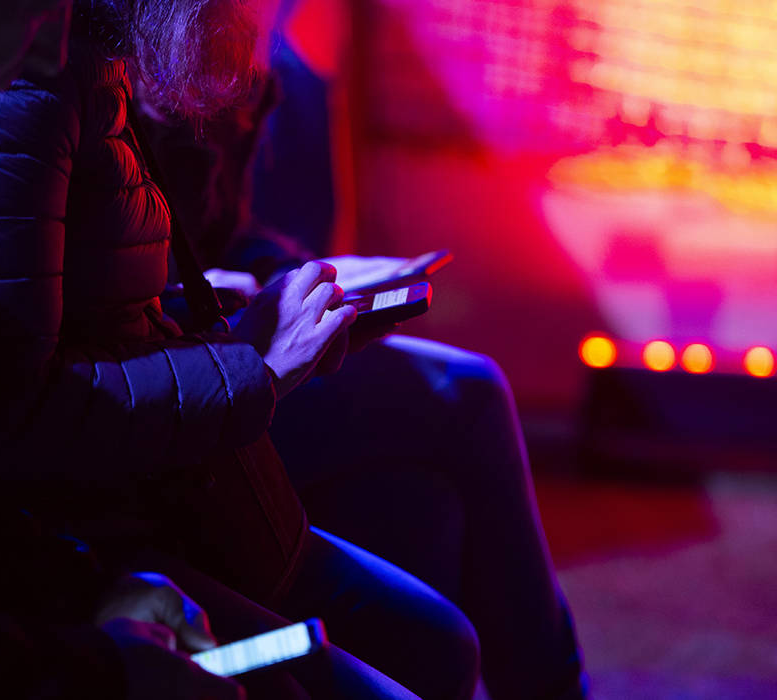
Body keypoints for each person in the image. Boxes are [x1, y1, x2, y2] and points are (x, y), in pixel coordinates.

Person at [0, 1, 479, 698]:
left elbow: (96, 304)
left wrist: (255, 317)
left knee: (440, 641)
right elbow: (2, 415)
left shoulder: (90, 62)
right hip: (108, 516)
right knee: (460, 406)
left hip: (147, 495)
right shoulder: (20, 83)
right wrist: (252, 361)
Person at [143, 9, 589, 698]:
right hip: (189, 375)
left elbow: (223, 229)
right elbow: (95, 308)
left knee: (419, 502)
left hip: (222, 340)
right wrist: (209, 297)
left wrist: (300, 274)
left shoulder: (241, 42)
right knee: (465, 392)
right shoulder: (115, 56)